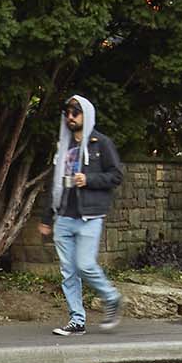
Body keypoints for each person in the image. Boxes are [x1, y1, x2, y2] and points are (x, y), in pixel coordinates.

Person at [45, 94, 127, 336]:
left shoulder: (101, 143)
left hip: (89, 216)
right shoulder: (64, 145)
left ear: (86, 114)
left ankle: (111, 298)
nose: (70, 117)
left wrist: (88, 179)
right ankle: (77, 320)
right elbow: (54, 184)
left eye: (75, 112)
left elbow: (116, 175)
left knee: (85, 265)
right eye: (67, 113)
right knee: (68, 271)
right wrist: (46, 217)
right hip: (63, 217)